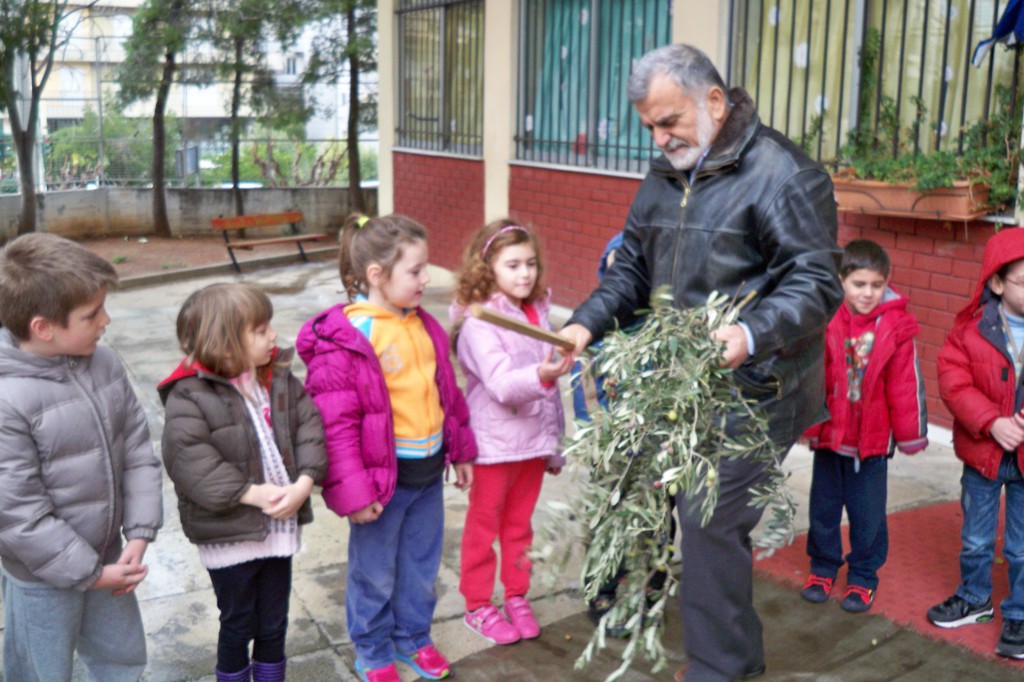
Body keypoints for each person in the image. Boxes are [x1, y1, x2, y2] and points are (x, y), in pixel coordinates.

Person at [559, 44, 843, 681]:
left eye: (669, 122)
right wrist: (583, 323)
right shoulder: (666, 175)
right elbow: (631, 265)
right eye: (650, 128)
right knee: (652, 493)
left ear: (714, 101)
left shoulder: (784, 174)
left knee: (708, 518)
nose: (659, 140)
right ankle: (663, 613)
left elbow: (816, 283)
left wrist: (748, 333)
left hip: (758, 383)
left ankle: (722, 668)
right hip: (681, 383)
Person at [297, 214, 477, 682]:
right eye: (415, 271)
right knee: (374, 573)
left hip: (427, 476)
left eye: (425, 269)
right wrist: (354, 494)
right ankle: (374, 648)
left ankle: (413, 637)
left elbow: (447, 393)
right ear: (377, 275)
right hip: (381, 485)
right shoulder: (352, 337)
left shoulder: (425, 325)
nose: (426, 279)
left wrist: (461, 451)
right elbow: (335, 425)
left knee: (420, 566)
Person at [0, 233, 164, 682]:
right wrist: (90, 574)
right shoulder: (6, 400)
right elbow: (18, 515)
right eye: (92, 314)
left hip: (111, 555)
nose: (106, 320)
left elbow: (137, 449)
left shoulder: (105, 363)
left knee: (123, 658)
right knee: (40, 670)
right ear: (43, 327)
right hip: (42, 576)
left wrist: (139, 534)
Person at [158, 283, 328, 682]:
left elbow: (309, 428)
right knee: (238, 621)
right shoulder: (189, 396)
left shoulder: (277, 379)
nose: (274, 336)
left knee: (274, 619)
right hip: (230, 534)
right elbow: (192, 462)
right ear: (226, 341)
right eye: (261, 329)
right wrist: (250, 493)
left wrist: (304, 482)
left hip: (276, 526)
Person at [449, 219, 572, 645]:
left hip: (532, 447)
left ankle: (516, 595)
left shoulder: (537, 313)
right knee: (483, 530)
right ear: (488, 270)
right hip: (493, 448)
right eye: (513, 265)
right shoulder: (478, 323)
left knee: (520, 528)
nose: (525, 274)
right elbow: (502, 384)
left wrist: (553, 447)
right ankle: (478, 605)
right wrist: (542, 372)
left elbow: (551, 394)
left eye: (531, 264)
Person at [801, 239, 928, 614]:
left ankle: (862, 576)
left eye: (876, 284)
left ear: (887, 282)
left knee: (867, 514)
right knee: (823, 509)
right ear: (842, 280)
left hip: (871, 445)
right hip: (830, 437)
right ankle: (823, 567)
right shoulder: (827, 318)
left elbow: (905, 385)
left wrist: (910, 435)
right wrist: (805, 423)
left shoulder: (897, 327)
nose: (868, 293)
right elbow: (812, 375)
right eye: (859, 284)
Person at [928, 228, 1024, 659]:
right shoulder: (970, 329)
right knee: (977, 537)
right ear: (997, 282)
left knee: (1022, 544)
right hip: (984, 454)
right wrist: (991, 422)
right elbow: (953, 380)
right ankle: (974, 598)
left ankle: (1020, 613)